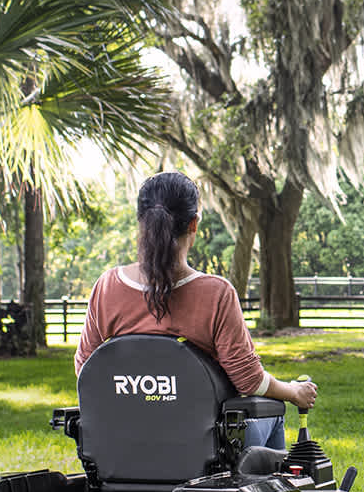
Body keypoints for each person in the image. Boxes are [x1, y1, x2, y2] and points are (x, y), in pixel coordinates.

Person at [74, 171, 316, 449]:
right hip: (203, 449)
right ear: (194, 224)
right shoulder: (216, 294)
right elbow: (248, 381)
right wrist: (293, 391)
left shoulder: (107, 287)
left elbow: (86, 370)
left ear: (141, 222)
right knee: (272, 410)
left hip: (123, 445)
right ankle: (270, 487)